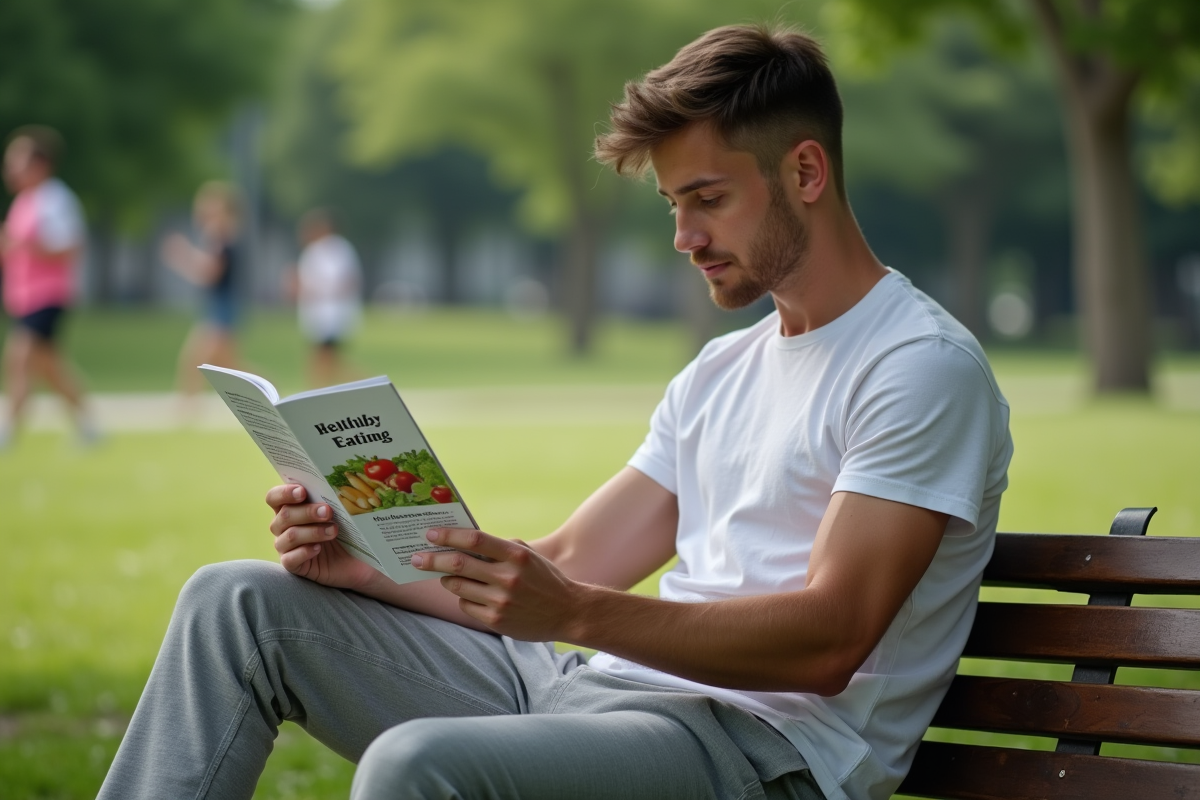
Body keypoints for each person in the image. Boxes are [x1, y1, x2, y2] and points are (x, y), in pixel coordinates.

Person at [99, 24, 1013, 800]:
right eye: (672, 204)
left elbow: (831, 639)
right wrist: (366, 571)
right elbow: (569, 563)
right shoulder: (721, 369)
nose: (684, 238)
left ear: (806, 170)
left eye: (708, 200)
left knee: (418, 766)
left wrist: (576, 615)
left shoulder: (918, 368)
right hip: (598, 689)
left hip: (760, 752)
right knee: (235, 606)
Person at [0, 126, 98, 449]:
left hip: (48, 295)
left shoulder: (55, 200)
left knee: (19, 357)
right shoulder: (22, 203)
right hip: (24, 297)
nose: (10, 169)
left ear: (40, 165)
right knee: (49, 368)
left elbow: (69, 247)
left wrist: (30, 245)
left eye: (17, 162)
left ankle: (8, 431)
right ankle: (89, 426)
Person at [162, 180, 243, 403]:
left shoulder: (222, 238)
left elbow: (210, 273)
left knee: (196, 360)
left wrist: (182, 255)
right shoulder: (218, 237)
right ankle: (272, 391)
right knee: (231, 367)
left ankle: (187, 408)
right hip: (219, 307)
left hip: (222, 309)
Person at [288, 208, 363, 387]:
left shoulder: (336, 249)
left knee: (326, 361)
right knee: (326, 361)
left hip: (331, 315)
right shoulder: (314, 251)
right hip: (318, 315)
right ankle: (324, 392)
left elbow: (342, 282)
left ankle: (365, 386)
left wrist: (312, 289)